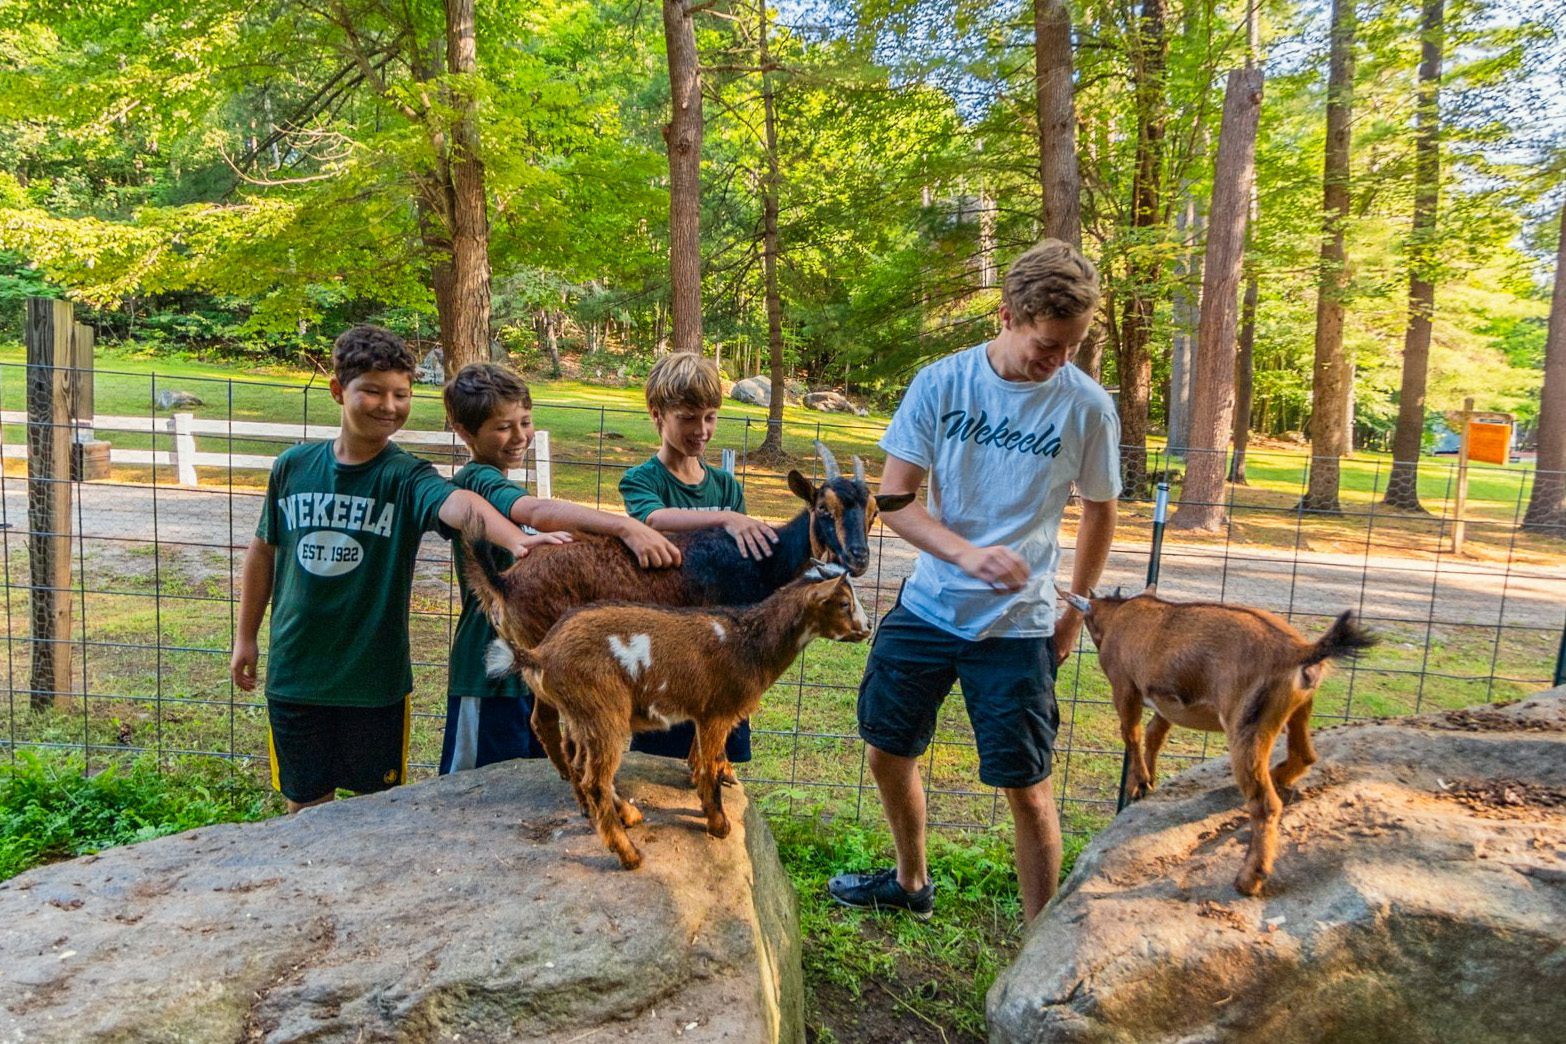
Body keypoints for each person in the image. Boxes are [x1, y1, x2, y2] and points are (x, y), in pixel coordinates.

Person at [827, 239, 1120, 923]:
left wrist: (1073, 612)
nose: (1059, 361)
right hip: (929, 606)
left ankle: (1038, 941)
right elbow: (895, 498)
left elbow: (1101, 511)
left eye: (1072, 346)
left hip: (1017, 625)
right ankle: (910, 882)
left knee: (1029, 788)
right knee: (885, 751)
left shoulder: (1087, 407)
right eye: (1048, 345)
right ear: (1007, 314)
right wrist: (963, 554)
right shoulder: (941, 383)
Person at [229, 326, 563, 813]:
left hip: (375, 683)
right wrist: (246, 636)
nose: (389, 405)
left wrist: (516, 539)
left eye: (401, 394)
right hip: (295, 676)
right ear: (339, 391)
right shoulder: (293, 466)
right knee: (304, 810)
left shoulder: (406, 475)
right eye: (372, 391)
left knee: (376, 810)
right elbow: (264, 550)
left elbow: (458, 504)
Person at [437, 362, 681, 773]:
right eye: (502, 427)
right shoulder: (479, 480)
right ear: (464, 432)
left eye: (525, 422)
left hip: (536, 659)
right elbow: (537, 511)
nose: (519, 437)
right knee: (478, 790)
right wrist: (626, 526)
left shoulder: (500, 479)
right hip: (488, 674)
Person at [617, 352, 776, 771]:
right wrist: (726, 517)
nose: (701, 430)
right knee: (660, 767)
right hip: (666, 654)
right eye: (687, 418)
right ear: (657, 414)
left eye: (709, 417)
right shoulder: (642, 479)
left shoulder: (725, 485)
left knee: (718, 760)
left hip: (722, 655)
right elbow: (653, 519)